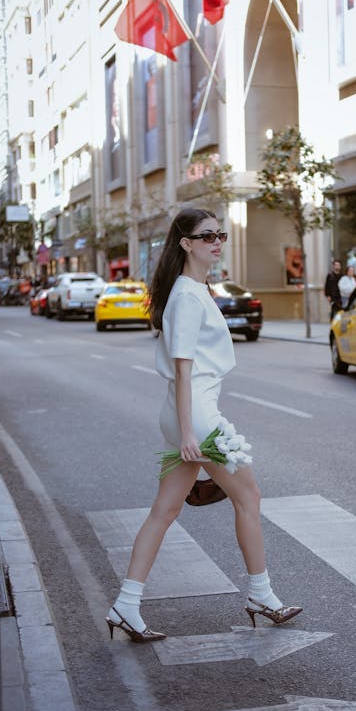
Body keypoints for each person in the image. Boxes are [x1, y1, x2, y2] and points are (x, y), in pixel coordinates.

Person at [106, 208, 302, 642]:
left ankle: (126, 605)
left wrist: (184, 429)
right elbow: (182, 369)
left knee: (165, 510)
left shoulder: (193, 289)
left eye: (221, 235)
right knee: (248, 495)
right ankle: (261, 595)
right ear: (186, 243)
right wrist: (190, 433)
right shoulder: (188, 296)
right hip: (194, 413)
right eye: (207, 235)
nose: (217, 241)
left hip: (185, 413)